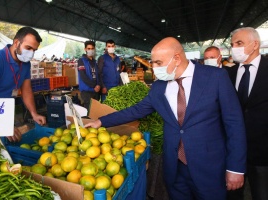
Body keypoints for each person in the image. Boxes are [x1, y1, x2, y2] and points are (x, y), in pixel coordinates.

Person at [86, 37, 247, 200]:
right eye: (152, 62)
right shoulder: (159, 87)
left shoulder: (215, 77)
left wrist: (236, 168)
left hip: (209, 168)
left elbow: (234, 124)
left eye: (158, 62)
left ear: (176, 58)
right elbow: (136, 110)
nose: (153, 68)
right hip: (175, 169)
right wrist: (101, 121)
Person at [0, 27, 46, 142]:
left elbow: (26, 91)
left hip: (3, 113)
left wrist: (34, 113)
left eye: (34, 50)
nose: (31, 53)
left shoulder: (25, 65)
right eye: (28, 48)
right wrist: (2, 125)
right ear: (16, 42)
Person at [225, 27, 268, 200]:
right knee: (232, 196)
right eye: (232, 44)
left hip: (263, 153)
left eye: (239, 43)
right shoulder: (228, 74)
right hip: (234, 153)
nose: (234, 48)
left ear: (255, 44)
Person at [77, 40, 100, 109]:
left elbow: (97, 75)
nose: (90, 50)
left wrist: (98, 85)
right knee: (89, 113)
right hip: (87, 92)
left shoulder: (95, 62)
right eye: (88, 48)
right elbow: (83, 76)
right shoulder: (81, 61)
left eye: (92, 48)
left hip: (96, 91)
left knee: (96, 112)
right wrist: (94, 86)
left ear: (94, 49)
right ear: (85, 49)